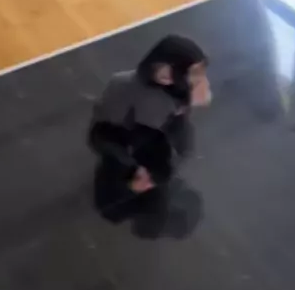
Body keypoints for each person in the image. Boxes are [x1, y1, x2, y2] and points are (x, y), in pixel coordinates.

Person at [88, 35, 211, 232]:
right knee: (118, 206)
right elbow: (102, 136)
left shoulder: (177, 98)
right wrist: (132, 173)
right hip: (125, 161)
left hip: (153, 161)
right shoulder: (124, 86)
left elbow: (180, 139)